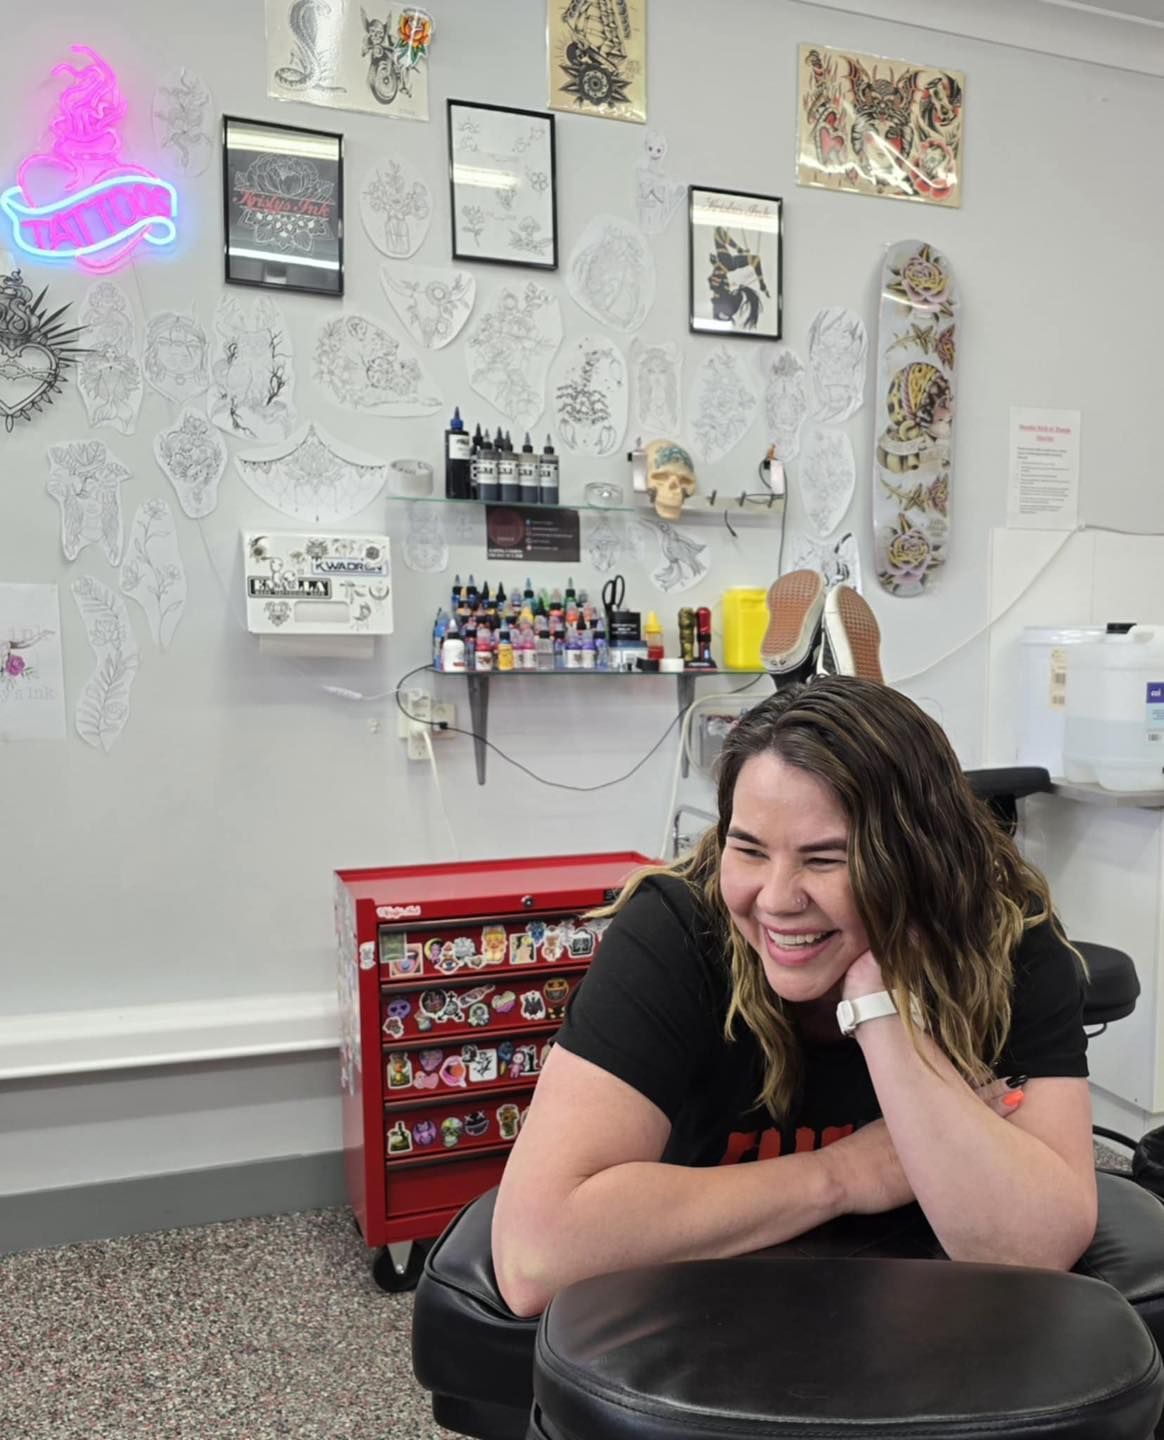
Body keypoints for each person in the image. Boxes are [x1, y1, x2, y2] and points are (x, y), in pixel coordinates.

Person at [492, 677, 1098, 1316]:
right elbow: (536, 1257)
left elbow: (1037, 1244)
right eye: (748, 850)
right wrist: (841, 1176)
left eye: (826, 859)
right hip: (704, 1328)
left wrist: (879, 1006)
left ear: (920, 861)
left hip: (926, 1323)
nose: (777, 899)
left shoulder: (1007, 934)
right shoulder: (675, 931)